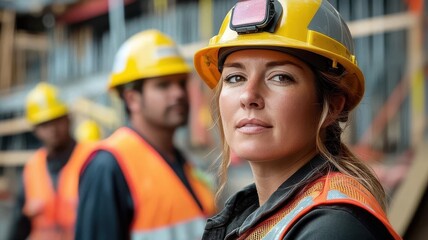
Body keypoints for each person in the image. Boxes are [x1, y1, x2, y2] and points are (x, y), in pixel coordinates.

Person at [193, 0, 402, 239]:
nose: (249, 96)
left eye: (280, 77)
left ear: (332, 105)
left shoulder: (331, 229)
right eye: (235, 77)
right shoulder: (265, 214)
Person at [75, 29, 216, 240]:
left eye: (181, 83)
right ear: (132, 99)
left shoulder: (185, 162)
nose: (178, 93)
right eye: (163, 85)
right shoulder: (107, 167)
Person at [8, 82, 95, 240]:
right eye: (44, 124)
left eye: (57, 120)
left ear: (68, 119)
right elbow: (20, 223)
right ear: (35, 129)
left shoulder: (91, 159)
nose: (52, 129)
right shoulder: (32, 168)